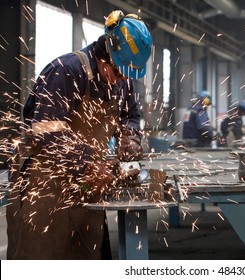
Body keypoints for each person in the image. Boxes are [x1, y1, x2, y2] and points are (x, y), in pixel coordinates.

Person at [6, 10, 152, 259]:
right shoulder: (66, 71)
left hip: (85, 189)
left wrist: (131, 137)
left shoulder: (122, 79)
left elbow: (131, 115)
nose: (120, 80)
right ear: (105, 51)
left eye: (126, 75)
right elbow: (47, 133)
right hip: (45, 191)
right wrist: (87, 163)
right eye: (117, 72)